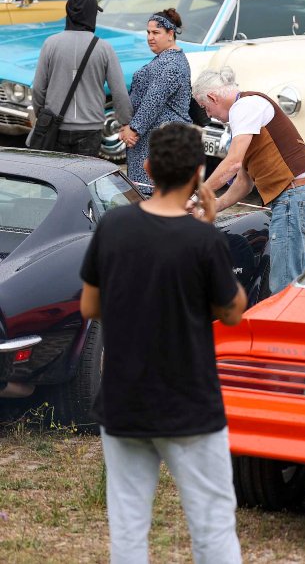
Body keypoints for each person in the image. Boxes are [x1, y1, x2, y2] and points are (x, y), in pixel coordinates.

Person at [80, 122, 247, 564]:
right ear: (198, 172)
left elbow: (88, 306)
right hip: (189, 402)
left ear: (149, 168)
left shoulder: (113, 227)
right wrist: (209, 230)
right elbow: (232, 312)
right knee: (212, 526)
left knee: (129, 527)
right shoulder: (203, 239)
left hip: (124, 399)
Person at [194, 67, 305, 295]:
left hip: (294, 197)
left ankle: (281, 329)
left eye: (206, 108)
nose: (209, 115)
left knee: (281, 285)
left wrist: (197, 194)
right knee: (291, 281)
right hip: (301, 196)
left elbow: (232, 164)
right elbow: (243, 182)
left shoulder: (244, 107)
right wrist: (212, 206)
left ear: (213, 97)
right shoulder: (248, 110)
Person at [31, 0, 131, 156]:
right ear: (92, 15)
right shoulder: (104, 48)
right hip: (90, 129)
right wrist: (125, 122)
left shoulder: (50, 44)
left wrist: (42, 115)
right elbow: (119, 91)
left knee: (56, 176)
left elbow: (38, 88)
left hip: (56, 126)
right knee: (82, 179)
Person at [119, 9, 191, 194]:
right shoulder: (164, 59)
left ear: (170, 34)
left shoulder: (172, 63)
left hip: (159, 142)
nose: (150, 37)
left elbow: (154, 100)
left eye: (156, 33)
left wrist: (133, 129)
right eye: (148, 33)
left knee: (153, 194)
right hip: (149, 141)